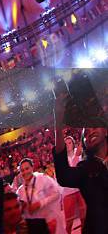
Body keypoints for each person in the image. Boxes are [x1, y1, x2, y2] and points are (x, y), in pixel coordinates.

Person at [53, 87, 107, 234]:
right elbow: (63, 175)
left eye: (94, 127)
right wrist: (58, 122)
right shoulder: (85, 168)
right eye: (85, 133)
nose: (90, 132)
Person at [15, 158, 64, 234]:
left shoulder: (42, 179)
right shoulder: (20, 191)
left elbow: (57, 193)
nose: (25, 172)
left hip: (49, 221)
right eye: (22, 170)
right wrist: (22, 207)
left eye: (27, 168)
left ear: (32, 168)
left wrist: (40, 203)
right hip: (34, 228)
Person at [59, 136, 87, 233]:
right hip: (68, 192)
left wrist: (77, 155)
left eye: (69, 142)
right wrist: (76, 156)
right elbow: (69, 173)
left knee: (84, 219)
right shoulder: (62, 158)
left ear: (73, 143)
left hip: (80, 190)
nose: (67, 145)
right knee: (69, 223)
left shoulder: (79, 154)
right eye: (65, 144)